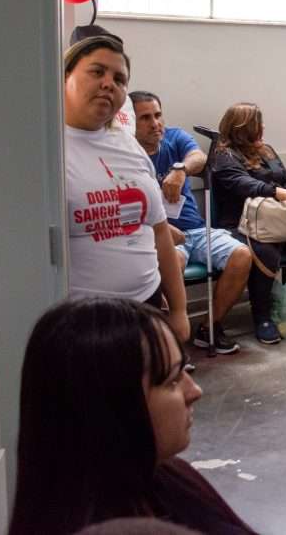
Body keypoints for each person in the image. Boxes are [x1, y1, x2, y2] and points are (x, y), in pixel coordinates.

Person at [9, 298, 255, 534]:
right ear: (112, 406)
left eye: (184, 371)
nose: (194, 392)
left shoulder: (170, 478)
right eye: (172, 381)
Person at [63, 33, 189, 342]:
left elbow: (160, 233)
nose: (109, 83)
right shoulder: (47, 149)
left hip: (146, 304)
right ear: (65, 76)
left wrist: (178, 311)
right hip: (84, 324)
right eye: (97, 71)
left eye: (119, 79)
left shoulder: (128, 145)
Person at [130, 91, 252, 354]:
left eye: (158, 115)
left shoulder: (174, 137)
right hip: (161, 236)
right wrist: (162, 231)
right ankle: (170, 341)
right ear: (130, 120)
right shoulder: (127, 153)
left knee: (242, 255)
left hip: (195, 229)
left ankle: (210, 327)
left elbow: (199, 157)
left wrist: (180, 169)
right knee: (173, 262)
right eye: (145, 118)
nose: (155, 123)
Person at [213, 103, 286, 345]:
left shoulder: (267, 151)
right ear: (242, 129)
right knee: (265, 251)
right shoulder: (224, 156)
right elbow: (246, 186)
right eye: (257, 124)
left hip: (279, 220)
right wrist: (283, 195)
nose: (262, 128)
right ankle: (262, 317)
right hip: (242, 225)